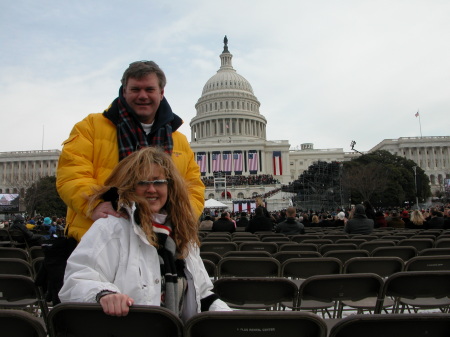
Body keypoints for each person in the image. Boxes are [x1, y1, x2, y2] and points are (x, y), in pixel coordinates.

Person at [58, 147, 230, 320]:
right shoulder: (110, 228)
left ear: (170, 186)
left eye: (158, 181)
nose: (151, 189)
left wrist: (230, 317)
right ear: (129, 186)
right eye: (142, 182)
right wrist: (103, 294)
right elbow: (77, 279)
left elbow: (202, 294)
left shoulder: (182, 234)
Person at [56, 60, 204, 242]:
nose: (143, 96)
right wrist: (94, 204)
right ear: (124, 91)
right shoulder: (91, 127)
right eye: (135, 89)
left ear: (161, 93)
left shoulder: (178, 140)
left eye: (149, 89)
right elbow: (72, 174)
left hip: (160, 240)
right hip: (98, 238)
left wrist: (181, 217)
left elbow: (193, 189)